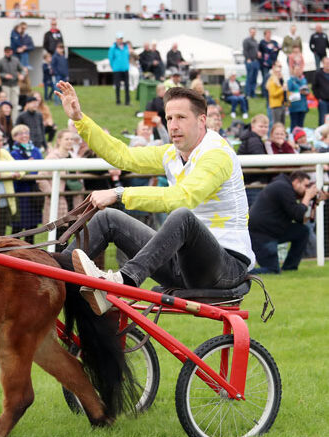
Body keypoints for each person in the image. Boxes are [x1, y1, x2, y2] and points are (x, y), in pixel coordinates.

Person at [54, 81, 254, 316]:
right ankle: (51, 277)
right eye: (169, 119)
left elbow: (182, 198)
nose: (174, 126)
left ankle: (124, 282)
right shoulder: (172, 153)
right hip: (185, 263)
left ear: (202, 120)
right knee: (107, 219)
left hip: (227, 267)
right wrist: (79, 119)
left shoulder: (216, 155)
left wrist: (119, 194)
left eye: (181, 117)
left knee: (183, 216)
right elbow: (123, 155)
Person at [249, 171, 320, 274]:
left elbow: (301, 220)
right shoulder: (282, 187)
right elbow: (297, 214)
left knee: (302, 231)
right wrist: (307, 197)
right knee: (272, 270)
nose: (307, 189)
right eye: (305, 185)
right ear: (296, 182)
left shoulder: (286, 188)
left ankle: (290, 268)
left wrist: (314, 202)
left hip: (273, 230)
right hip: (261, 235)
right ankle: (241, 275)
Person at [9, 124, 43, 241]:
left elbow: (41, 169)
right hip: (20, 193)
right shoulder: (13, 153)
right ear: (14, 137)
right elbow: (16, 171)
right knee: (17, 229)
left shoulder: (36, 151)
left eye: (26, 133)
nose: (24, 135)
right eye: (20, 133)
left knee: (31, 229)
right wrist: (28, 167)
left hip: (33, 193)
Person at [0, 47, 24, 122]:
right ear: (4, 52)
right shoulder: (0, 61)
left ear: (11, 52)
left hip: (15, 84)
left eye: (9, 52)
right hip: (5, 85)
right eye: (6, 52)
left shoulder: (16, 60)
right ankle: (6, 120)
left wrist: (22, 75)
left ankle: (15, 121)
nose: (8, 53)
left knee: (15, 104)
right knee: (6, 104)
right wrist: (4, 75)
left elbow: (21, 70)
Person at [109, 32, 130, 106]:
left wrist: (127, 65)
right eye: (119, 38)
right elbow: (111, 59)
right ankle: (118, 101)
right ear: (116, 39)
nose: (120, 40)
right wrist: (114, 67)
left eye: (121, 38)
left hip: (125, 69)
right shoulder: (113, 48)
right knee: (117, 85)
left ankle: (127, 101)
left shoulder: (126, 47)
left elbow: (128, 56)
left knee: (127, 85)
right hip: (117, 70)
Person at [259, 30, 280, 98]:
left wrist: (273, 49)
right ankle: (264, 93)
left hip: (273, 63)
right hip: (265, 64)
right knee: (265, 77)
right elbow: (262, 50)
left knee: (273, 77)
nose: (269, 35)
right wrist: (272, 49)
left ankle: (272, 92)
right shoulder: (262, 42)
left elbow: (279, 47)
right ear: (265, 35)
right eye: (267, 34)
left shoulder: (274, 42)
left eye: (270, 34)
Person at [288, 65, 309, 130]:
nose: (298, 72)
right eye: (296, 70)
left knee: (301, 124)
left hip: (302, 105)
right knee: (294, 124)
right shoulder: (290, 81)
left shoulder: (304, 80)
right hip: (294, 106)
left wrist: (306, 92)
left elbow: (307, 90)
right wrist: (298, 91)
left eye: (299, 70)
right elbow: (288, 92)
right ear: (293, 71)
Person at [243, 27, 261, 98]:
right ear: (249, 32)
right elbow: (245, 50)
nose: (253, 33)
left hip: (256, 61)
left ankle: (253, 93)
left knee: (254, 78)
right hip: (250, 61)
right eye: (252, 32)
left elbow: (256, 50)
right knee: (249, 78)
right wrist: (248, 58)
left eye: (254, 32)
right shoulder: (246, 41)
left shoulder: (255, 41)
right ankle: (248, 94)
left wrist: (258, 53)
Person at [314, 57, 329, 126]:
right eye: (326, 63)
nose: (328, 65)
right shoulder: (318, 74)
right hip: (323, 101)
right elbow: (314, 87)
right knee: (322, 120)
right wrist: (319, 97)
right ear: (323, 64)